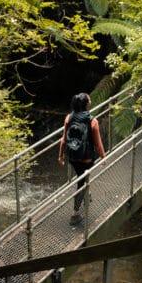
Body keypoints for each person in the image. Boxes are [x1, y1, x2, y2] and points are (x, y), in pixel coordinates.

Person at [58, 92, 106, 225]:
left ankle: (86, 192)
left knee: (81, 178)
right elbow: (98, 144)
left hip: (72, 156)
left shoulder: (69, 117)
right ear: (86, 104)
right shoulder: (93, 121)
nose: (91, 100)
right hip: (86, 158)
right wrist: (103, 157)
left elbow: (63, 140)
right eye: (89, 99)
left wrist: (61, 156)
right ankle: (75, 214)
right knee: (81, 183)